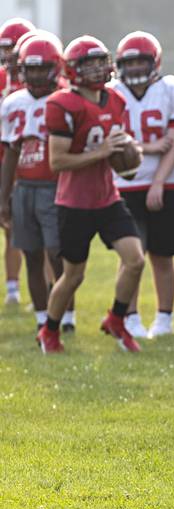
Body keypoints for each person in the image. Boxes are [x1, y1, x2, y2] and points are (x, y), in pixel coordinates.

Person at [38, 35, 145, 353]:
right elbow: (57, 161)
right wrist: (101, 152)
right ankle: (50, 330)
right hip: (74, 203)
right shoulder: (62, 104)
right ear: (73, 69)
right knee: (73, 276)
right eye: (90, 64)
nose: (99, 69)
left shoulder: (115, 99)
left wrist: (130, 155)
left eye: (101, 62)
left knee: (135, 260)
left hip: (108, 198)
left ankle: (116, 318)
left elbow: (119, 146)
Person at [110, 31, 174, 338]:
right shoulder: (111, 92)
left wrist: (159, 181)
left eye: (140, 62)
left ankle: (165, 319)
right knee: (132, 257)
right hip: (124, 184)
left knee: (162, 255)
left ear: (154, 62)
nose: (133, 69)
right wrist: (148, 146)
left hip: (166, 184)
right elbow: (112, 143)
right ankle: (129, 317)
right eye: (128, 63)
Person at [0, 32, 75, 332]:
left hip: (57, 186)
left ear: (55, 67)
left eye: (42, 68)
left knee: (58, 254)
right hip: (25, 187)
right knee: (31, 254)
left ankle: (67, 317)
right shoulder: (13, 102)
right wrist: (4, 197)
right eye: (30, 69)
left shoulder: (67, 98)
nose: (35, 75)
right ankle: (43, 319)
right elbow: (10, 153)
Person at [0, 18, 34, 305]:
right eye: (5, 50)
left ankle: (13, 289)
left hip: (26, 163)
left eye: (13, 49)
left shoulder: (41, 79)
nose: (8, 56)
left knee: (16, 227)